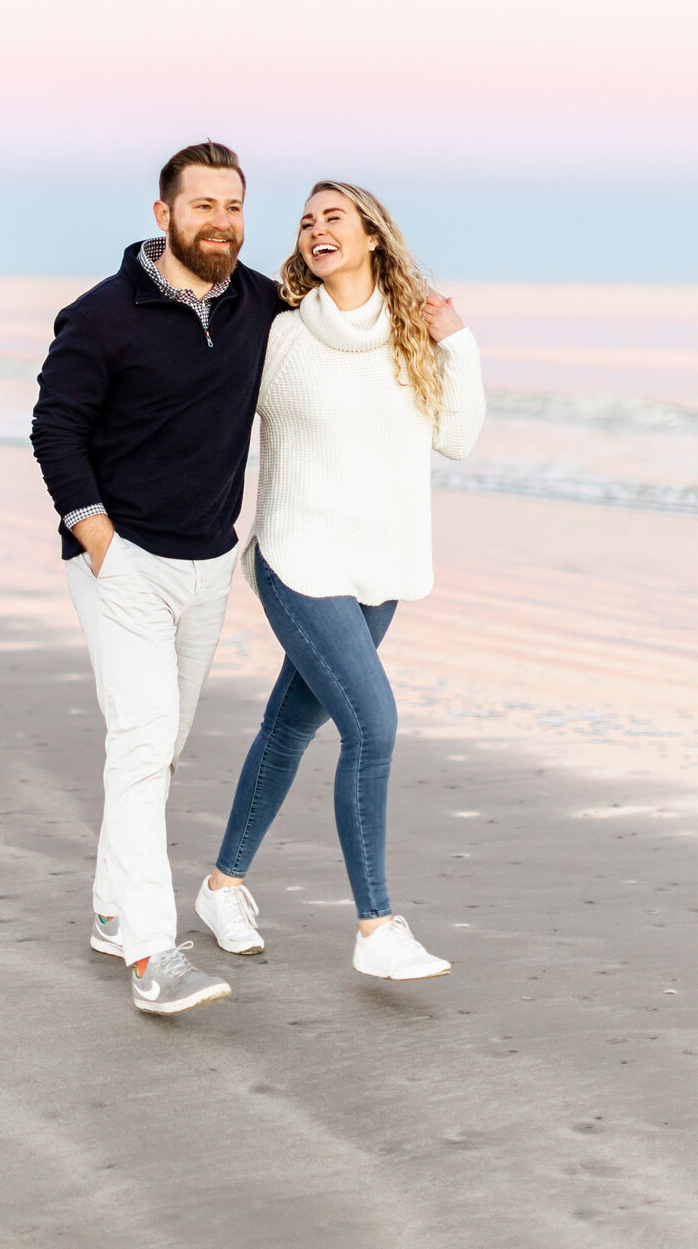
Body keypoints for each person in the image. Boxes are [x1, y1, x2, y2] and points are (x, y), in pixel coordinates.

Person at [193, 180, 486, 979]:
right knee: (374, 727)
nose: (318, 228)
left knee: (289, 728)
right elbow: (208, 415)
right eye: (307, 221)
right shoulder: (278, 334)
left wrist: (457, 339)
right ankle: (377, 927)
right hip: (298, 559)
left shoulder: (411, 336)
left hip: (378, 570)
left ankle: (223, 885)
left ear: (372, 237)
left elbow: (458, 437)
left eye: (335, 218)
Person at [30, 141, 285, 1015]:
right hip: (124, 562)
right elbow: (54, 427)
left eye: (235, 207)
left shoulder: (261, 303)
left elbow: (344, 336)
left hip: (209, 563)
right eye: (204, 205)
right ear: (163, 215)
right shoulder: (100, 316)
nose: (222, 222)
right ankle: (151, 954)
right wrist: (99, 539)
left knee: (159, 749)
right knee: (143, 742)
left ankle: (110, 911)